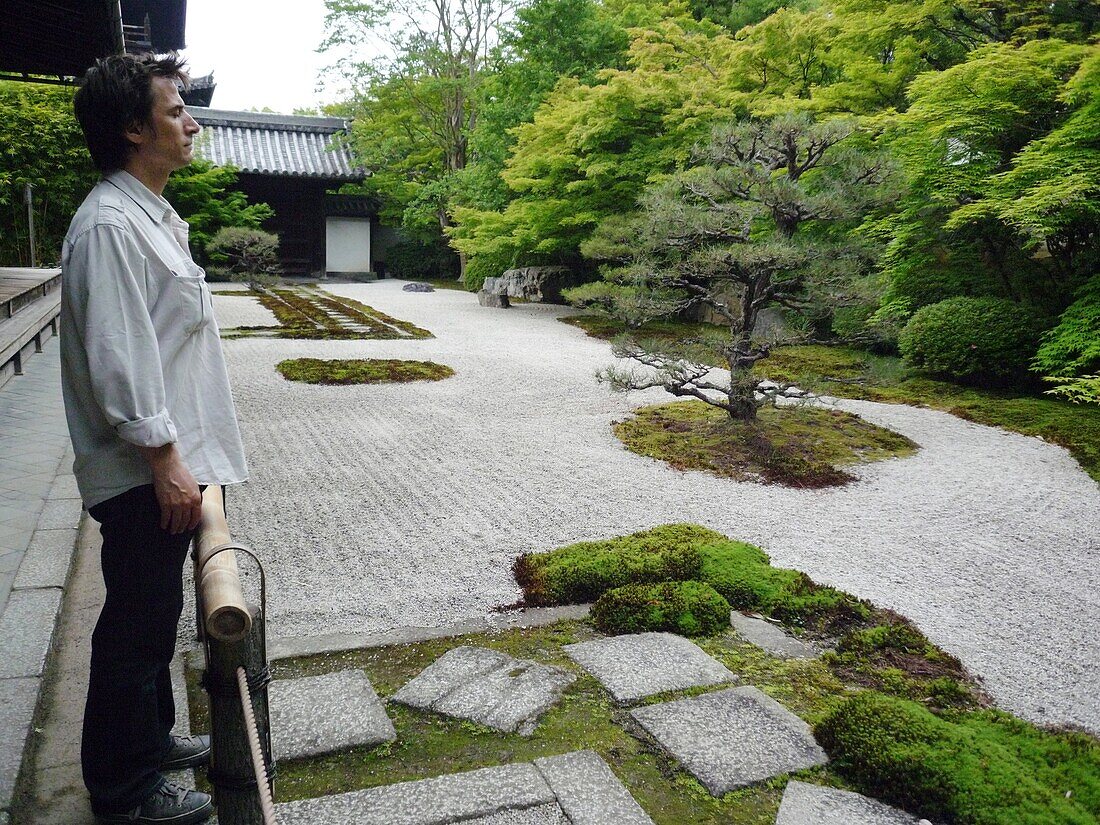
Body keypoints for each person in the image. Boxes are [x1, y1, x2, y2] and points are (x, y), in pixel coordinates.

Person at [61, 53, 248, 825]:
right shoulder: (110, 224)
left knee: (148, 616)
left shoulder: (149, 213)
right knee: (134, 627)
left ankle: (153, 739)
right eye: (177, 112)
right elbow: (120, 355)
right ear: (134, 128)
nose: (192, 122)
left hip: (162, 465)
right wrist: (167, 459)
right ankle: (125, 789)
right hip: (144, 470)